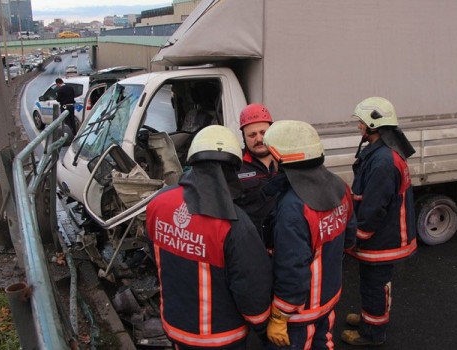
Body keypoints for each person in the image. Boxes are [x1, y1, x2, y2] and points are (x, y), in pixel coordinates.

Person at [146, 125, 272, 349]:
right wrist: (262, 326)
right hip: (220, 336)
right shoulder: (235, 224)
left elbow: (156, 254)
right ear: (232, 169)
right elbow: (251, 286)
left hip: (174, 326)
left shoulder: (158, 202)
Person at [262, 120, 356, 349]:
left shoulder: (293, 207)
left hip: (298, 312)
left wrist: (279, 316)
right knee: (324, 343)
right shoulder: (339, 186)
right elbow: (350, 236)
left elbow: (292, 268)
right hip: (329, 296)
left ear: (283, 158)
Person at [341, 96, 417, 346]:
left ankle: (372, 333)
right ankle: (369, 318)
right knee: (371, 282)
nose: (359, 127)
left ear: (373, 126)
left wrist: (358, 236)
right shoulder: (383, 152)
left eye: (361, 123)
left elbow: (374, 207)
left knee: (375, 284)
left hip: (382, 238)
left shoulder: (383, 160)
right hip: (383, 234)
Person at [234, 103, 279, 239]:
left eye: (263, 133)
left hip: (283, 241)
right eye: (252, 135)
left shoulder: (286, 160)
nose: (259, 139)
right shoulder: (234, 165)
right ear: (243, 137)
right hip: (251, 242)